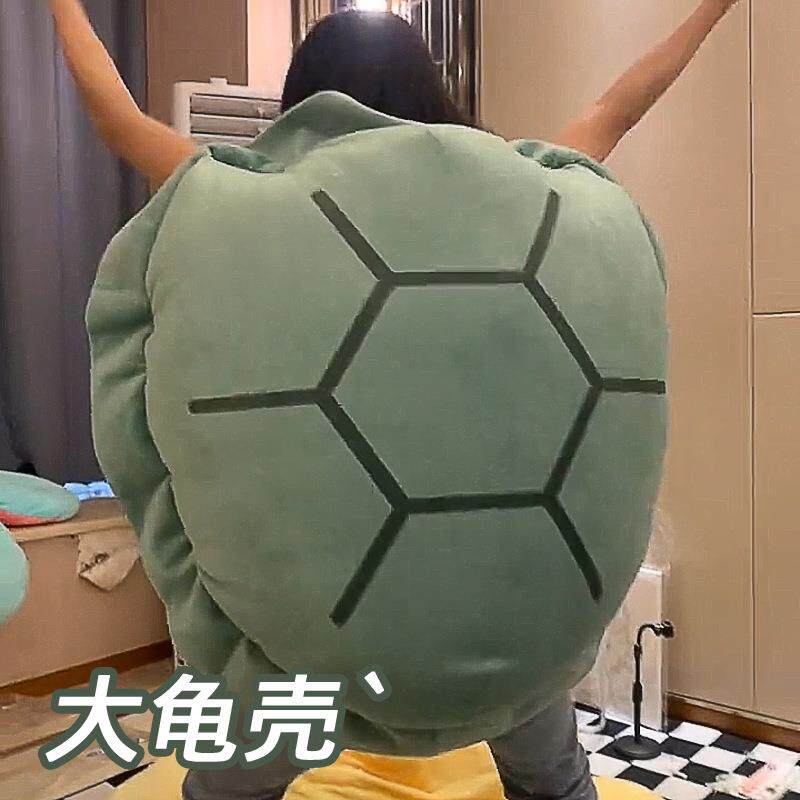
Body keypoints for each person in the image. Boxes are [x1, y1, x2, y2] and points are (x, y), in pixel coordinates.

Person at [47, 2, 740, 800]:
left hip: (307, 641)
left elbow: (115, 113)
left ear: (304, 102)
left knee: (234, 777)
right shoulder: (530, 196)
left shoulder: (236, 205)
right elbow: (619, 106)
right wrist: (711, 9)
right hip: (513, 622)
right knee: (550, 768)